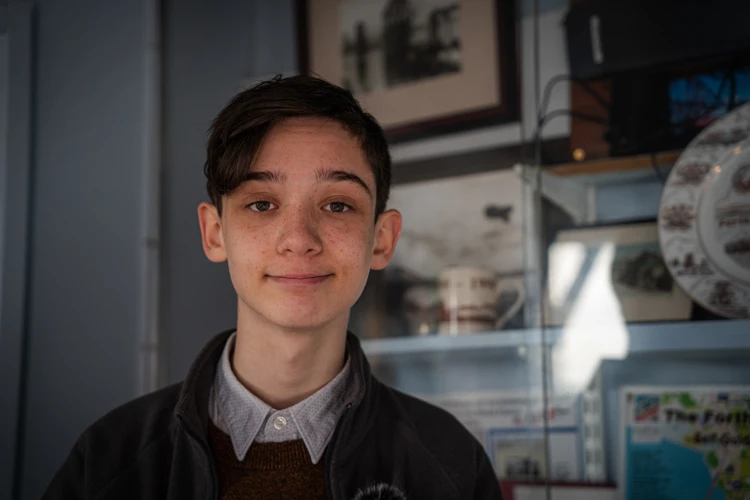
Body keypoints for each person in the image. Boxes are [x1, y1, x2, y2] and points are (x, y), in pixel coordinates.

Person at [42, 75, 503, 500]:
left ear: (381, 240)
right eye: (261, 204)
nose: (299, 239)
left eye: (338, 205)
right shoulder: (110, 459)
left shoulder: (451, 464)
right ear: (215, 233)